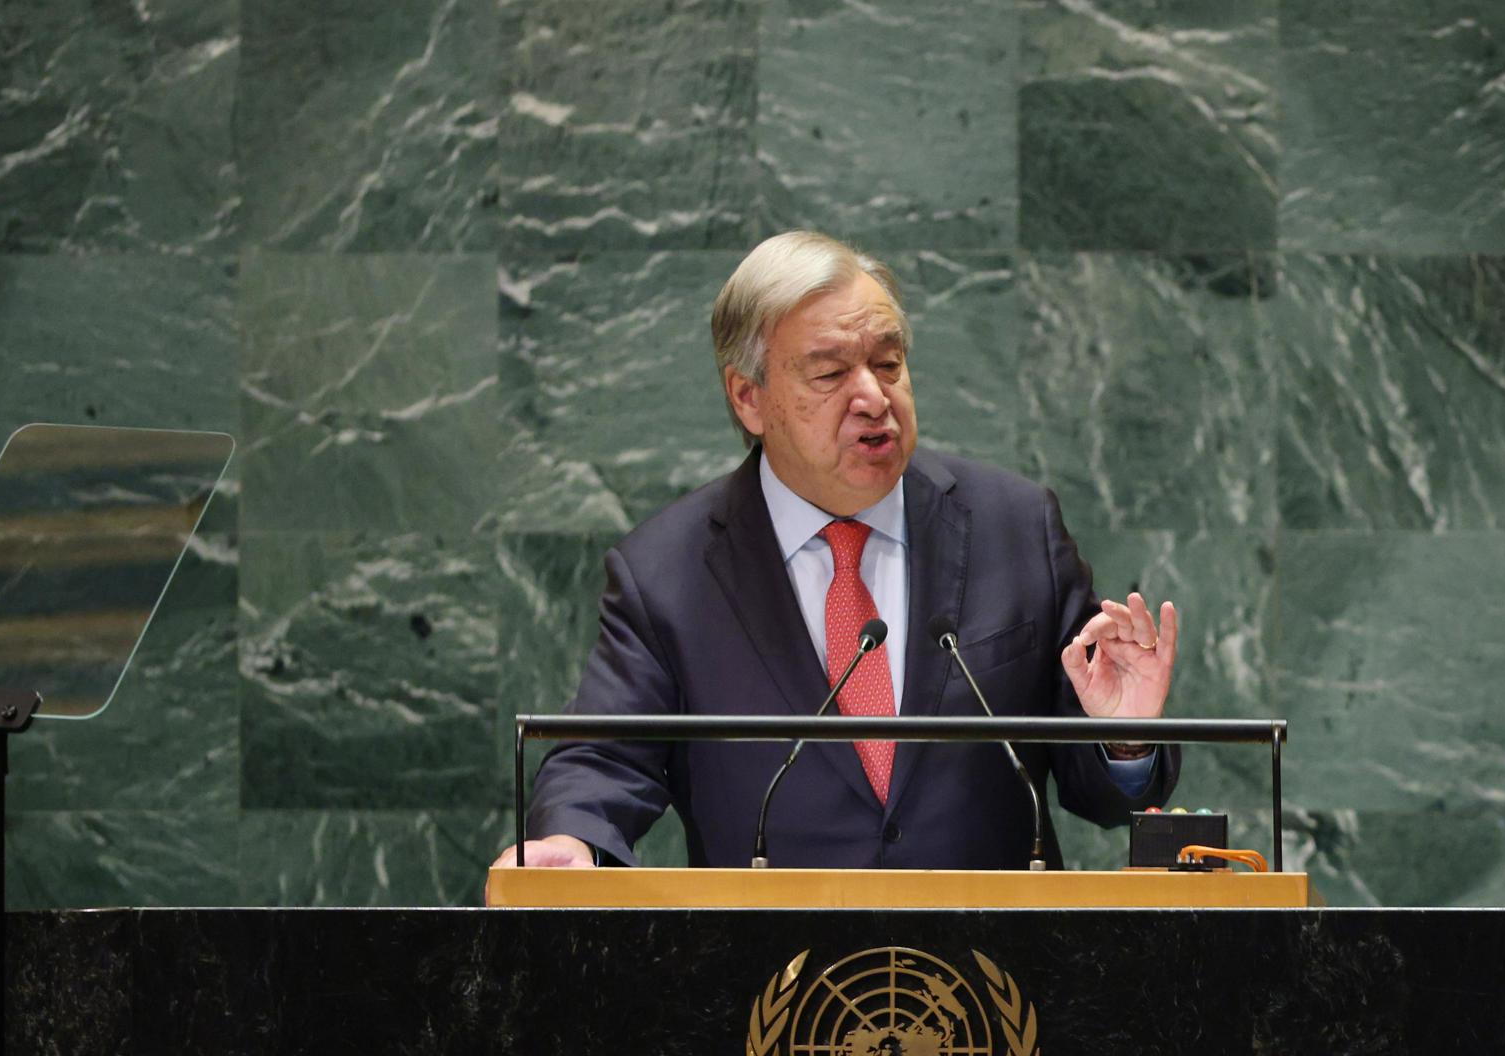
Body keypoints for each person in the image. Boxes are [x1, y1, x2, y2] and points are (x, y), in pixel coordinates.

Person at [496, 230, 1179, 872]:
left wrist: (1123, 740)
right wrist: (570, 838)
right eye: (829, 374)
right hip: (776, 985)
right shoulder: (667, 573)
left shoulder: (1015, 526)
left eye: (888, 363)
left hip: (991, 980)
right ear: (749, 399)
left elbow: (1107, 796)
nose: (873, 397)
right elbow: (605, 758)